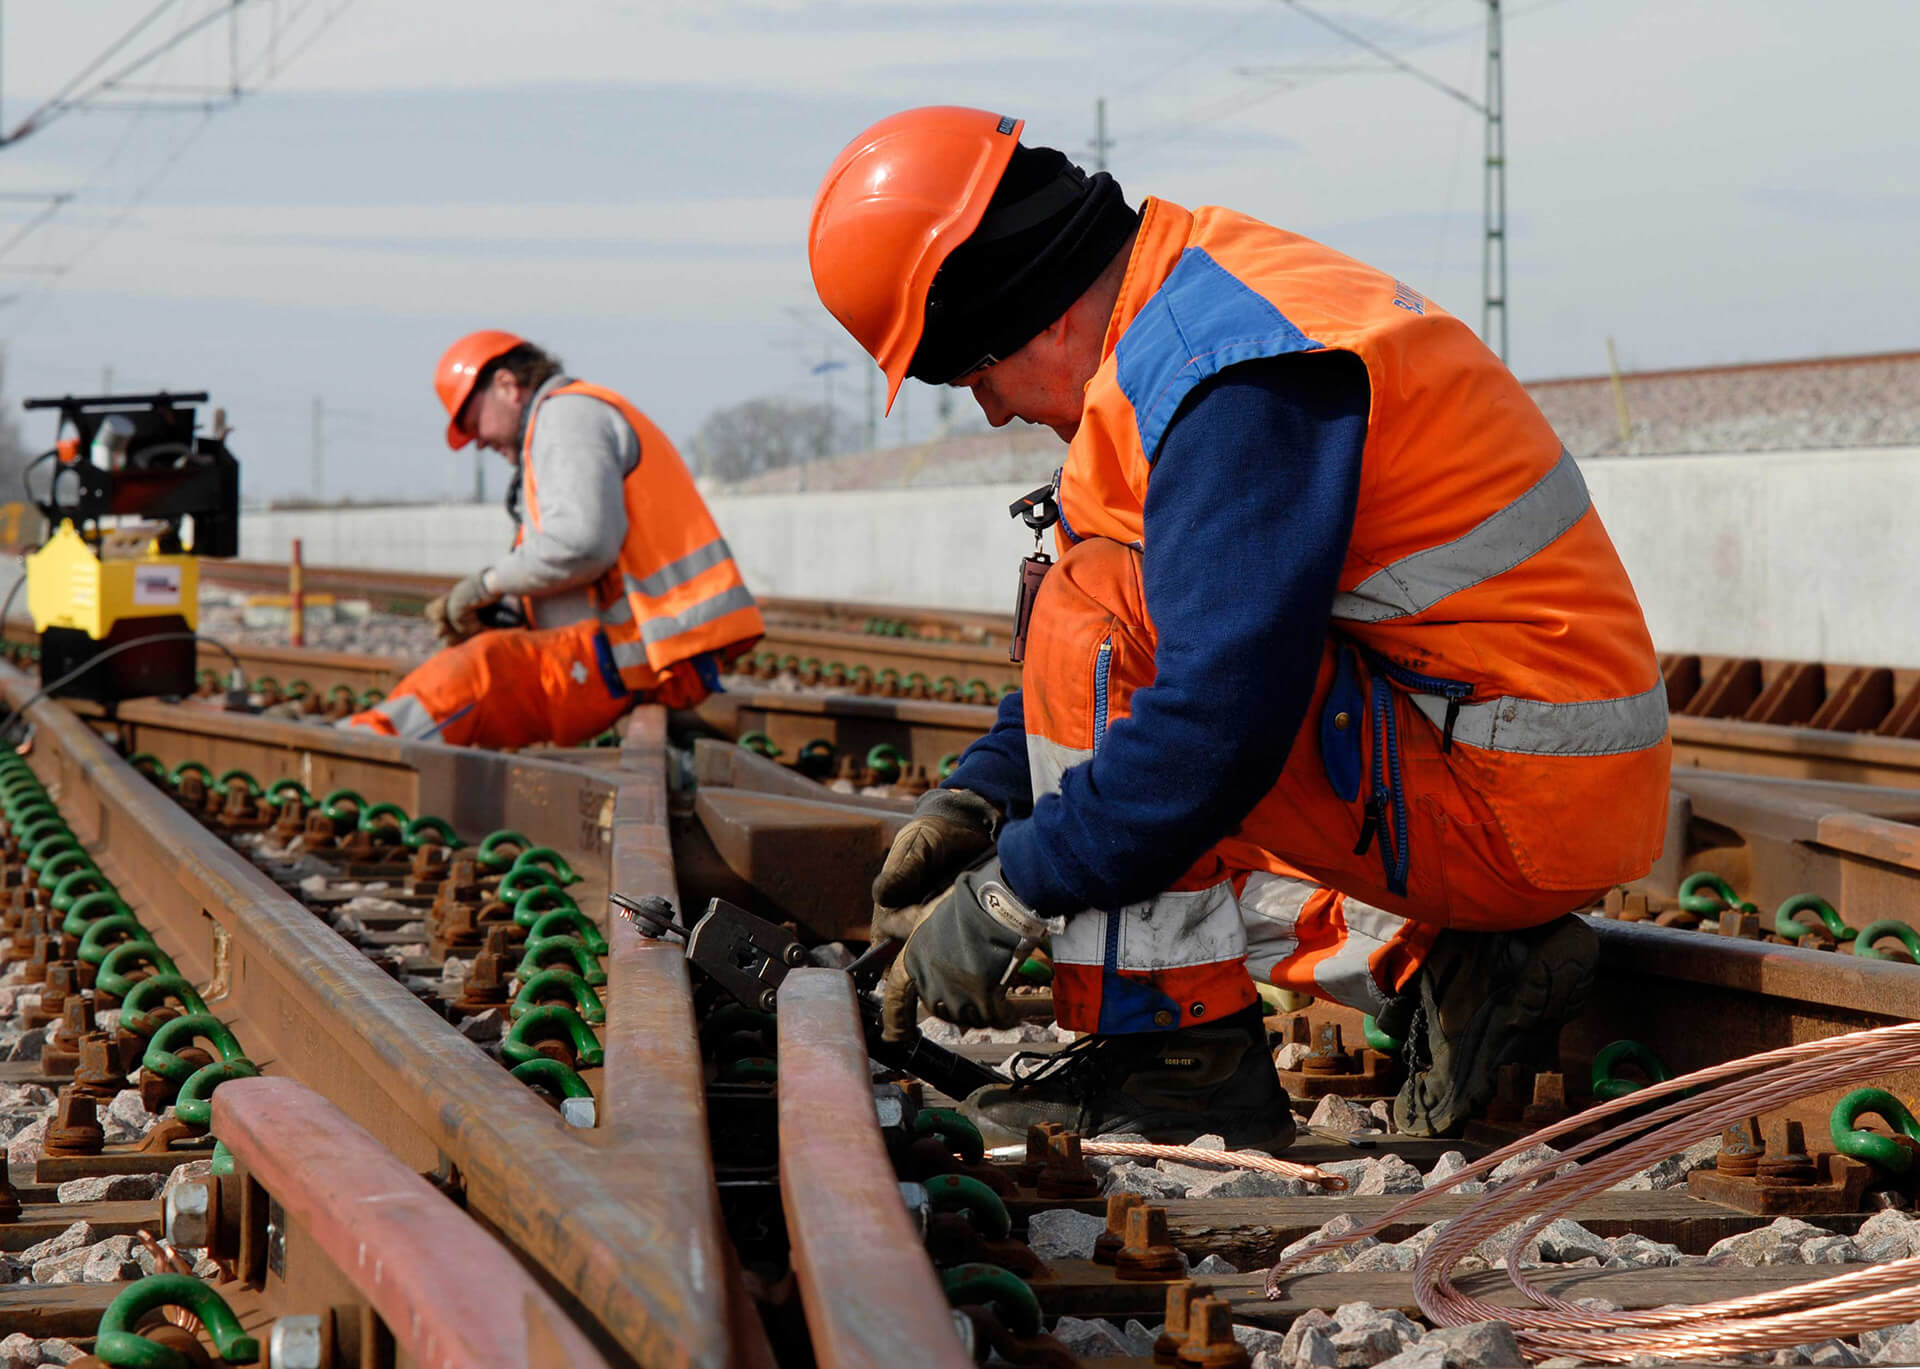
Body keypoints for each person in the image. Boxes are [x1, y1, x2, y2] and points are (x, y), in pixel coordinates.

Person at [809, 108, 1671, 1148]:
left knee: (1112, 667)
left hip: (1511, 796)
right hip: (1503, 759)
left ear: (1026, 312)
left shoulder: (1228, 382)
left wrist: (1012, 893)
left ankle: (1177, 1065)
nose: (989, 411)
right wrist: (983, 796)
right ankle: (1431, 956)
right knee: (1118, 726)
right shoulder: (1187, 317)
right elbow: (1156, 667)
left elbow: (1211, 721)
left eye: (972, 377)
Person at [343, 331, 762, 748]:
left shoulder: (565, 416)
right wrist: (505, 610)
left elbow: (582, 544)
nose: (478, 442)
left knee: (482, 671)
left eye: (473, 422)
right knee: (485, 671)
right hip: (643, 649)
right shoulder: (561, 425)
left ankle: (363, 753)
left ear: (507, 386)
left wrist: (486, 584)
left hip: (639, 653)